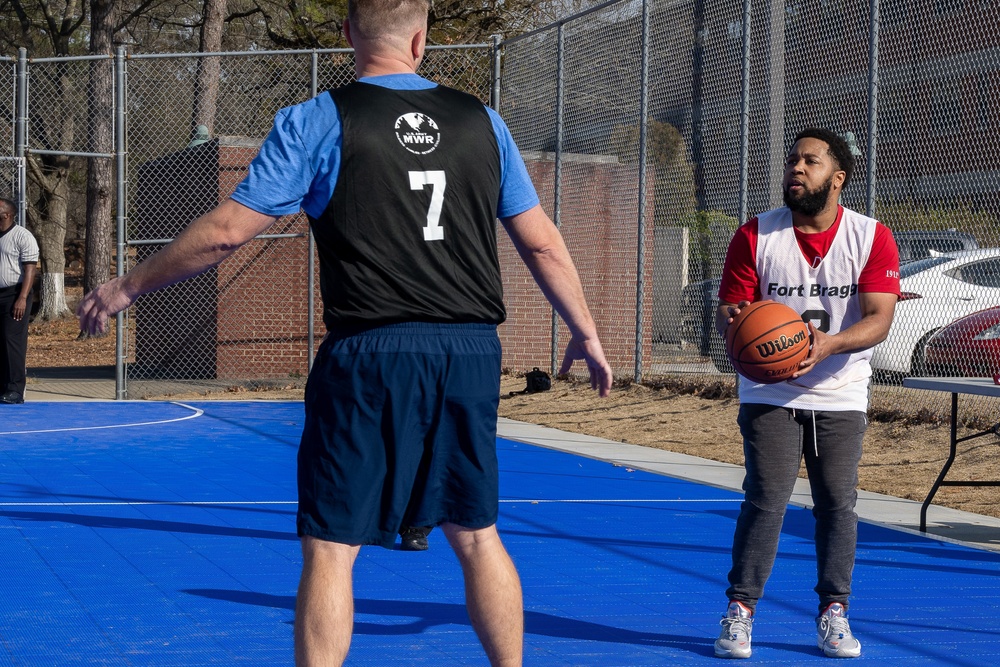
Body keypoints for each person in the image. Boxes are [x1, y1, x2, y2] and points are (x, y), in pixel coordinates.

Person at [76, 0, 613, 664]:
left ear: (347, 35)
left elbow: (224, 234)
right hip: (468, 350)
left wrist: (127, 286)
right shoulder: (484, 122)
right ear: (421, 39)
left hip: (370, 350)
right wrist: (585, 328)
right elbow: (543, 244)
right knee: (476, 532)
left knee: (332, 545)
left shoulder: (319, 119)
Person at [712, 128, 899, 660]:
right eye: (793, 159)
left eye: (810, 161)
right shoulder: (756, 235)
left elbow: (880, 319)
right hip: (770, 391)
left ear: (836, 178)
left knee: (837, 503)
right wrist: (738, 324)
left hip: (840, 388)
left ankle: (834, 613)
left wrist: (830, 344)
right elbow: (732, 308)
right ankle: (740, 611)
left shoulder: (871, 236)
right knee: (766, 499)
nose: (796, 168)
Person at [0, 198, 38, 405]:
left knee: (11, 340)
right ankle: (2, 387)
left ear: (7, 214)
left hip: (14, 294)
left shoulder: (23, 236)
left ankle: (15, 390)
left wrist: (22, 298)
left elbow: (30, 269)